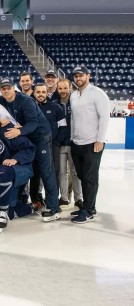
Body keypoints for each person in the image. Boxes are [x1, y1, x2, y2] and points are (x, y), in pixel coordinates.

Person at [0, 78, 60, 222]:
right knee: (28, 171)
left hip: (40, 137)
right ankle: (23, 201)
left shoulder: (26, 101)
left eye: (8, 88)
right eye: (3, 88)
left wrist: (18, 132)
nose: (6, 90)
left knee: (46, 171)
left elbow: (33, 123)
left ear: (14, 89)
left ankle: (53, 208)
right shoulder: (2, 99)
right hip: (26, 139)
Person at [0, 104, 36, 231]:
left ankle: (28, 207)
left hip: (21, 168)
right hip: (2, 170)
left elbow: (29, 148)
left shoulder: (8, 130)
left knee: (2, 173)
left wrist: (16, 159)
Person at [69, 65, 110, 223]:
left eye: (81, 76)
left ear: (88, 76)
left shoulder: (97, 93)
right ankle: (86, 205)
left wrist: (100, 139)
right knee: (81, 175)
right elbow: (73, 119)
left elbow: (105, 117)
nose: (78, 78)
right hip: (77, 142)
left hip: (92, 143)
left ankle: (89, 210)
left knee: (90, 177)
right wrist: (72, 138)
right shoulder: (74, 95)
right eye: (76, 76)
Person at [32, 83, 66, 209]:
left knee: (52, 174)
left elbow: (62, 126)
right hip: (35, 147)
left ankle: (52, 200)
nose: (40, 94)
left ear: (47, 93)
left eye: (43, 92)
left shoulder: (56, 108)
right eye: (38, 92)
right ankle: (35, 199)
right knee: (35, 174)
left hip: (52, 146)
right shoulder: (30, 107)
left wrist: (56, 142)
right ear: (34, 93)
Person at [56, 79, 83, 208]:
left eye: (65, 88)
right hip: (60, 144)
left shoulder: (76, 103)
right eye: (60, 88)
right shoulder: (55, 104)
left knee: (76, 173)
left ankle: (79, 199)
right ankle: (64, 198)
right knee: (62, 173)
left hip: (74, 144)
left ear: (70, 88)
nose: (63, 91)